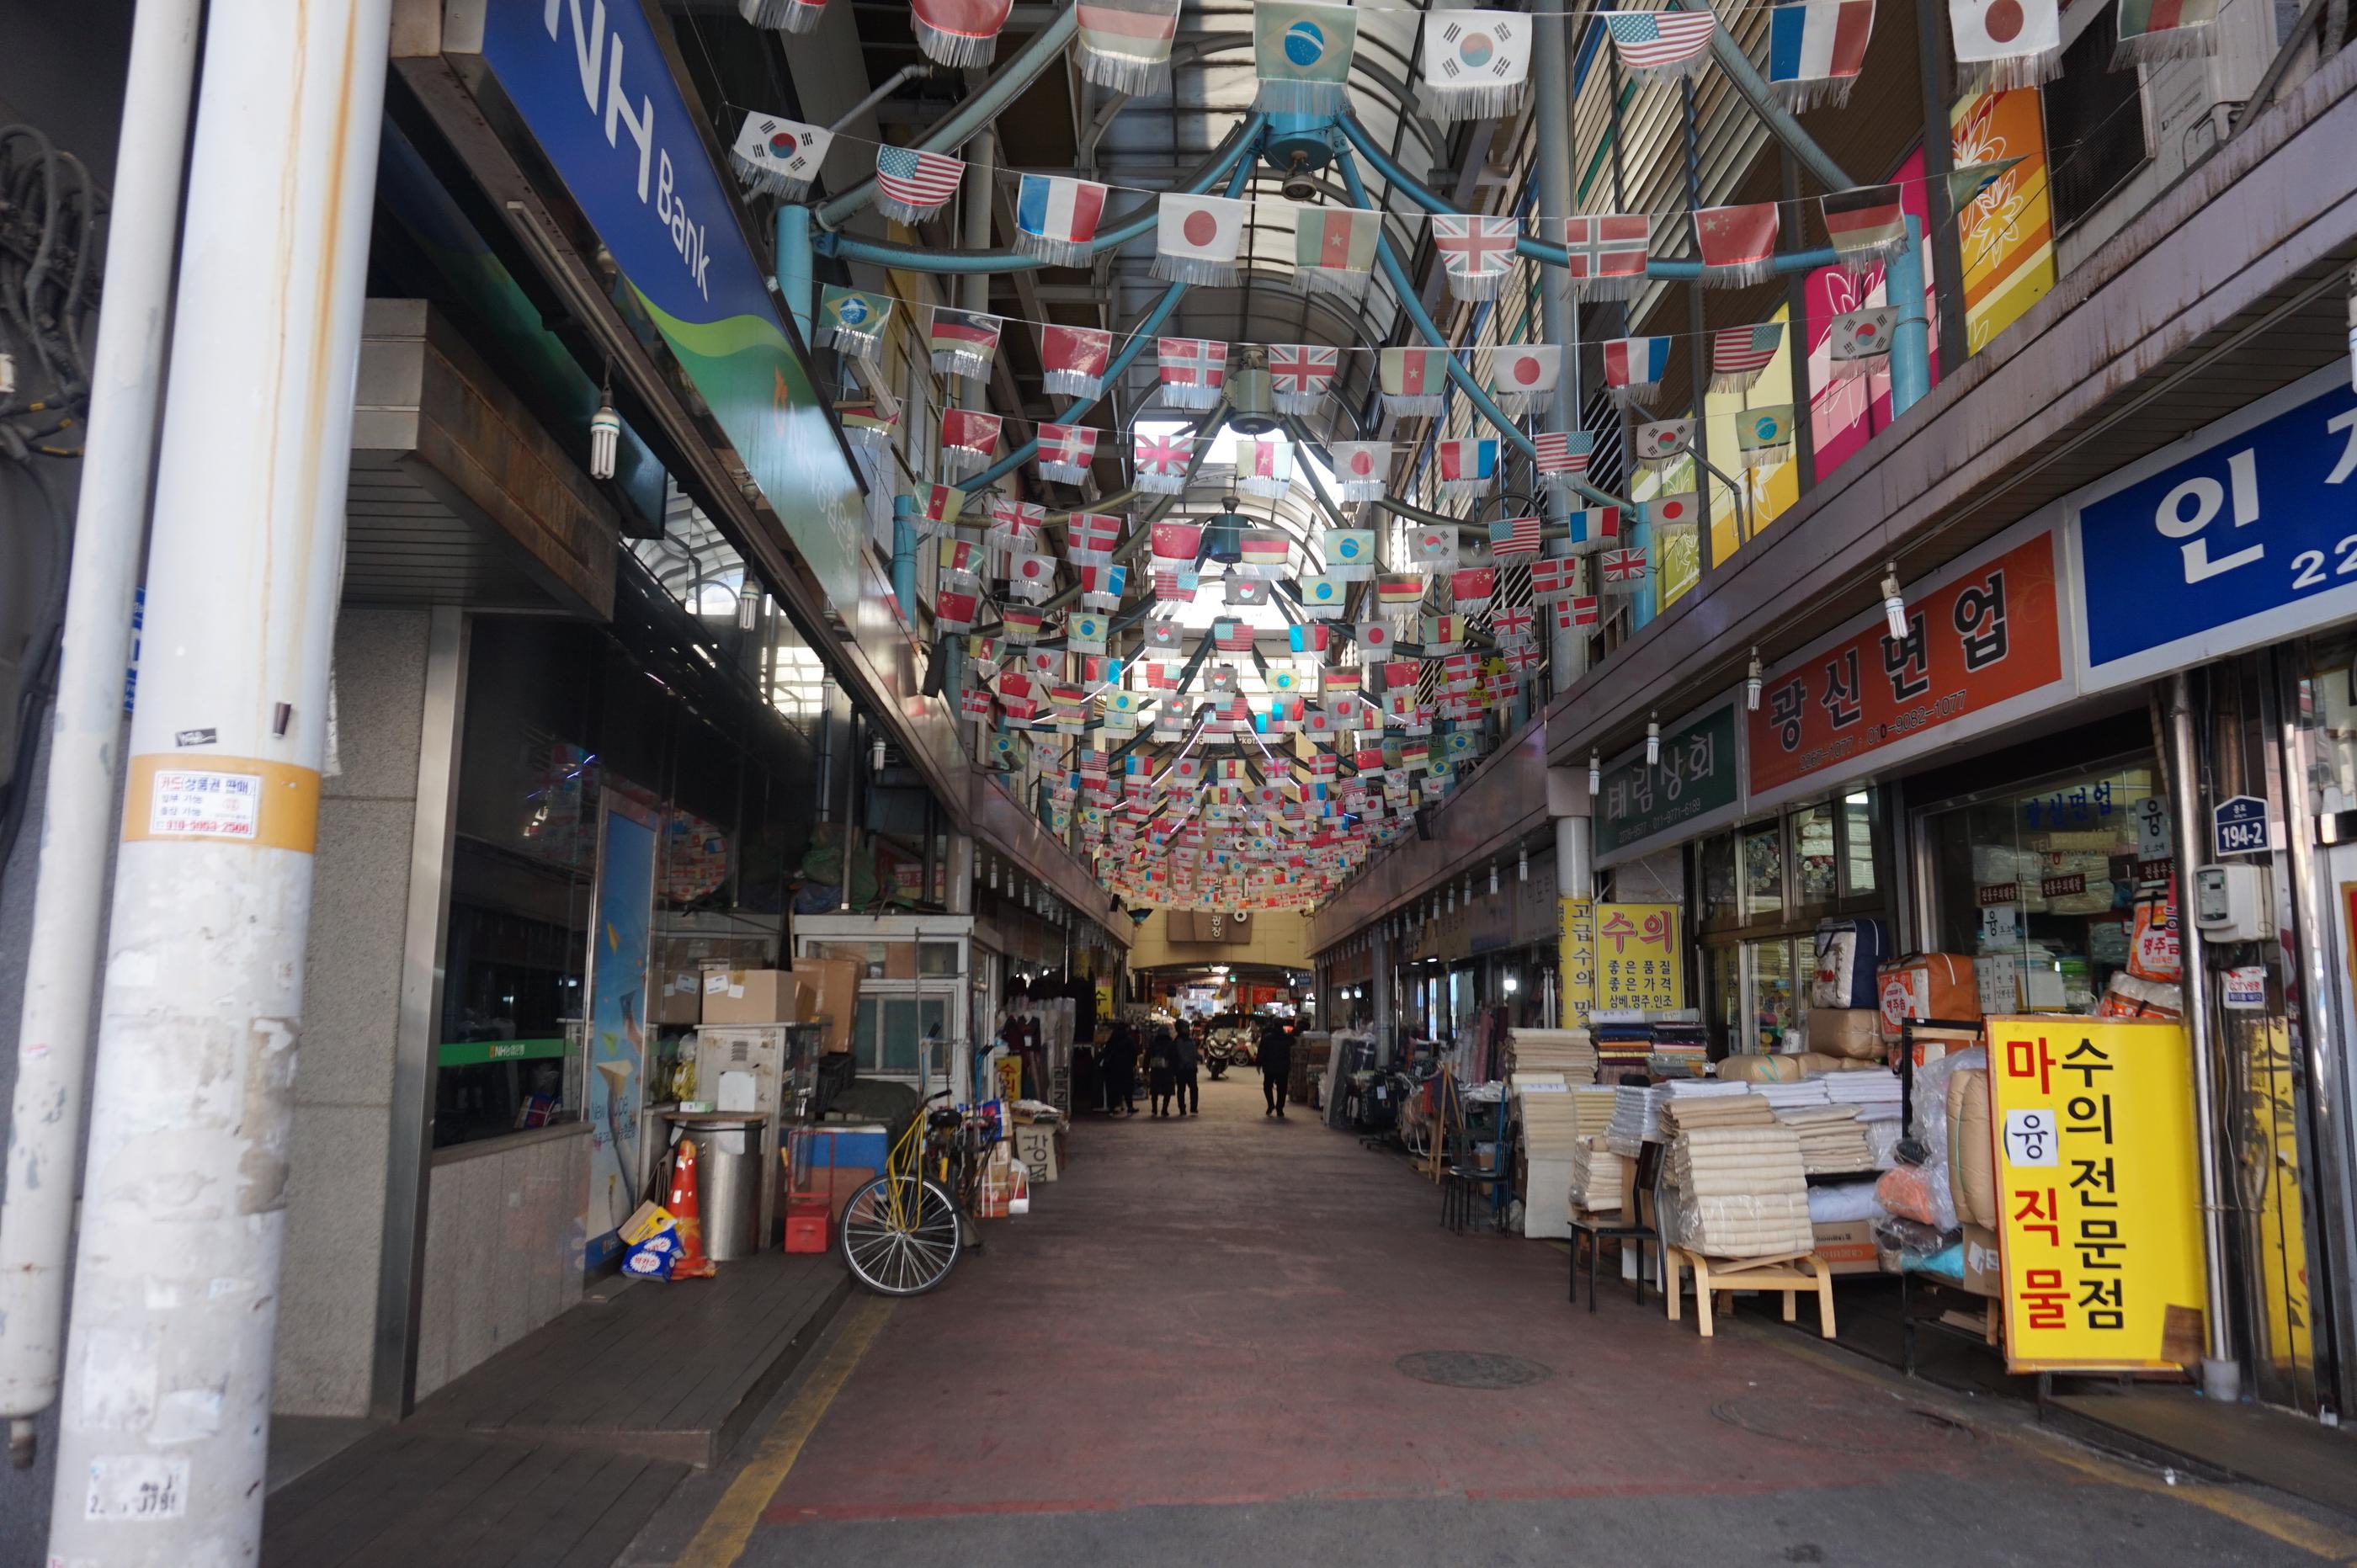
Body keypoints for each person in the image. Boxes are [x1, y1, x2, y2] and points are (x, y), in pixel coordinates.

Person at [1259, 1018, 1295, 1119]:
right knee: (1282, 1088)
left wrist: (1259, 1063)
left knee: (1267, 1086)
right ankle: (1279, 1108)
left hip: (1269, 1066)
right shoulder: (1287, 1038)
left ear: (1273, 1025)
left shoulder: (1267, 1037)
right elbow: (1294, 1041)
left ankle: (1270, 1104)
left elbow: (1261, 1051)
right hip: (1283, 1067)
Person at [1102, 1022, 1139, 1115]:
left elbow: (1107, 1052)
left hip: (1113, 1068)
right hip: (1126, 1067)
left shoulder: (1112, 1039)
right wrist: (1134, 1064)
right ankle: (1130, 1108)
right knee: (1127, 1089)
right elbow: (1134, 1052)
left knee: (1113, 1089)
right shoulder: (1128, 1039)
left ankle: (1111, 1109)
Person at [1145, 1024, 1177, 1118]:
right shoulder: (1171, 1043)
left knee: (1154, 1090)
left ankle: (1154, 1109)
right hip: (1167, 1070)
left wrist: (1146, 1068)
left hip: (1155, 1069)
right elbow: (1174, 1057)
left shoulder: (1154, 1042)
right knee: (1167, 1091)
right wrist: (1175, 1070)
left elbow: (1148, 1055)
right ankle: (1164, 1110)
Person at [1170, 1020, 1200, 1116]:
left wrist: (1198, 1057)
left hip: (1191, 1069)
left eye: (1187, 1027)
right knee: (1182, 1090)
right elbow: (1180, 1055)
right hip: (1182, 1069)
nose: (1187, 1030)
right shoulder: (1178, 1041)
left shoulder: (1190, 1040)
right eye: (1185, 1028)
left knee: (1194, 1089)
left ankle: (1193, 1108)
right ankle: (1182, 1109)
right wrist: (1186, 1063)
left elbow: (1194, 1052)